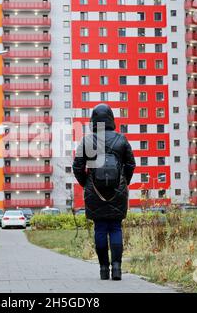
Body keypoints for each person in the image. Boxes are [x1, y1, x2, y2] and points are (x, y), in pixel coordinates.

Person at [72, 104, 136, 281]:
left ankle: (103, 269)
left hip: (95, 192)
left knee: (100, 227)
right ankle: (117, 268)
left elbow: (77, 167)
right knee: (115, 227)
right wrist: (123, 184)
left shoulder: (86, 141)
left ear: (93, 120)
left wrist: (87, 185)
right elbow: (131, 165)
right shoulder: (121, 140)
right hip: (118, 193)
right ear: (111, 119)